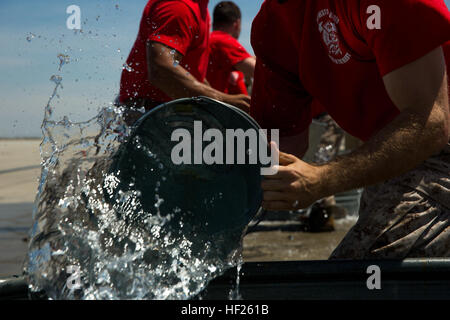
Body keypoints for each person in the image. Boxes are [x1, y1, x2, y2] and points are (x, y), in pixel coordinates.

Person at [253, 0, 450, 259]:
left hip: (439, 153)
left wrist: (322, 179)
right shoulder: (275, 23)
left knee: (353, 278)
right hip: (392, 159)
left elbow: (432, 124)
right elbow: (277, 145)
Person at [119, 0, 250, 124]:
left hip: (163, 110)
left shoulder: (200, 9)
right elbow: (161, 70)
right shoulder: (181, 6)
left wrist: (221, 100)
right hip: (149, 114)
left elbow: (191, 73)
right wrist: (222, 101)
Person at [207, 1, 256, 96]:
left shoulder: (209, 40)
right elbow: (261, 72)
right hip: (214, 108)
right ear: (237, 24)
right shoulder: (224, 41)